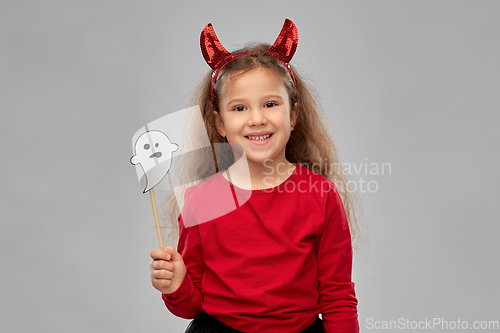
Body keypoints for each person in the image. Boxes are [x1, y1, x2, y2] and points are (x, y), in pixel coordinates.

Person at [150, 19, 361, 333]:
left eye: (270, 104)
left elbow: (338, 297)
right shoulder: (202, 200)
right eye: (239, 108)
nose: (257, 118)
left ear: (292, 115)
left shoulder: (320, 195)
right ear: (219, 124)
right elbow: (191, 306)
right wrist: (176, 285)